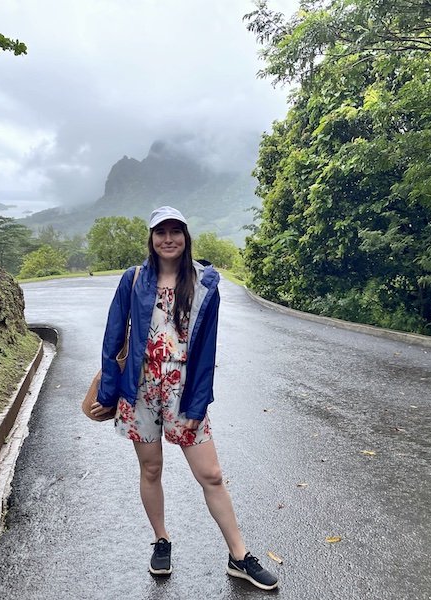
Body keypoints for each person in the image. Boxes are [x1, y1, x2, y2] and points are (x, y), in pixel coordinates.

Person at [89, 206, 279, 591]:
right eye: (161, 232)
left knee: (210, 474)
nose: (169, 239)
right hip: (139, 393)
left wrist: (198, 405)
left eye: (176, 231)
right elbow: (113, 338)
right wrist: (109, 393)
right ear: (152, 238)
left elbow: (207, 349)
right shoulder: (134, 279)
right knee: (151, 470)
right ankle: (161, 540)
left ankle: (239, 556)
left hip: (183, 391)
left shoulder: (204, 285)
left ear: (186, 238)